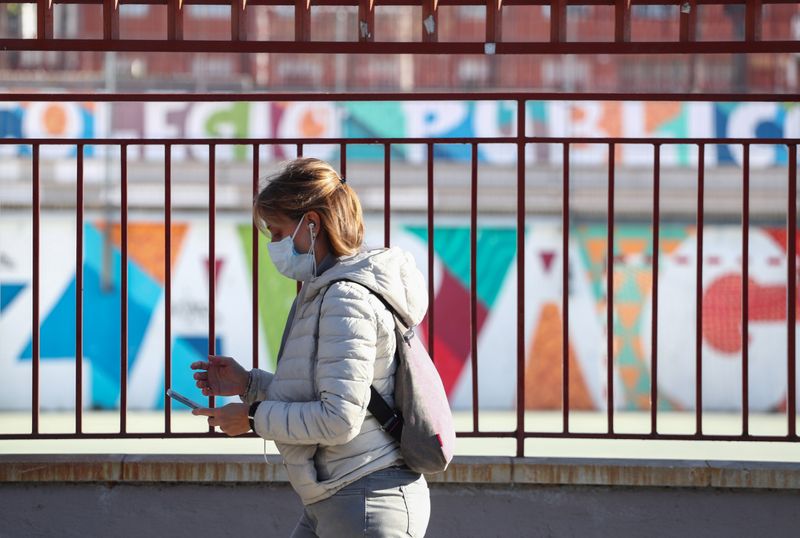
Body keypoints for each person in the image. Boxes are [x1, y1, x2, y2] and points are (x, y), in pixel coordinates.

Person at [190, 157, 431, 537]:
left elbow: (338, 419)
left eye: (277, 231)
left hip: (366, 500)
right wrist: (249, 384)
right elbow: (322, 393)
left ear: (312, 224)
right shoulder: (322, 294)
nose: (273, 245)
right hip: (337, 496)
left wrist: (252, 418)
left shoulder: (344, 300)